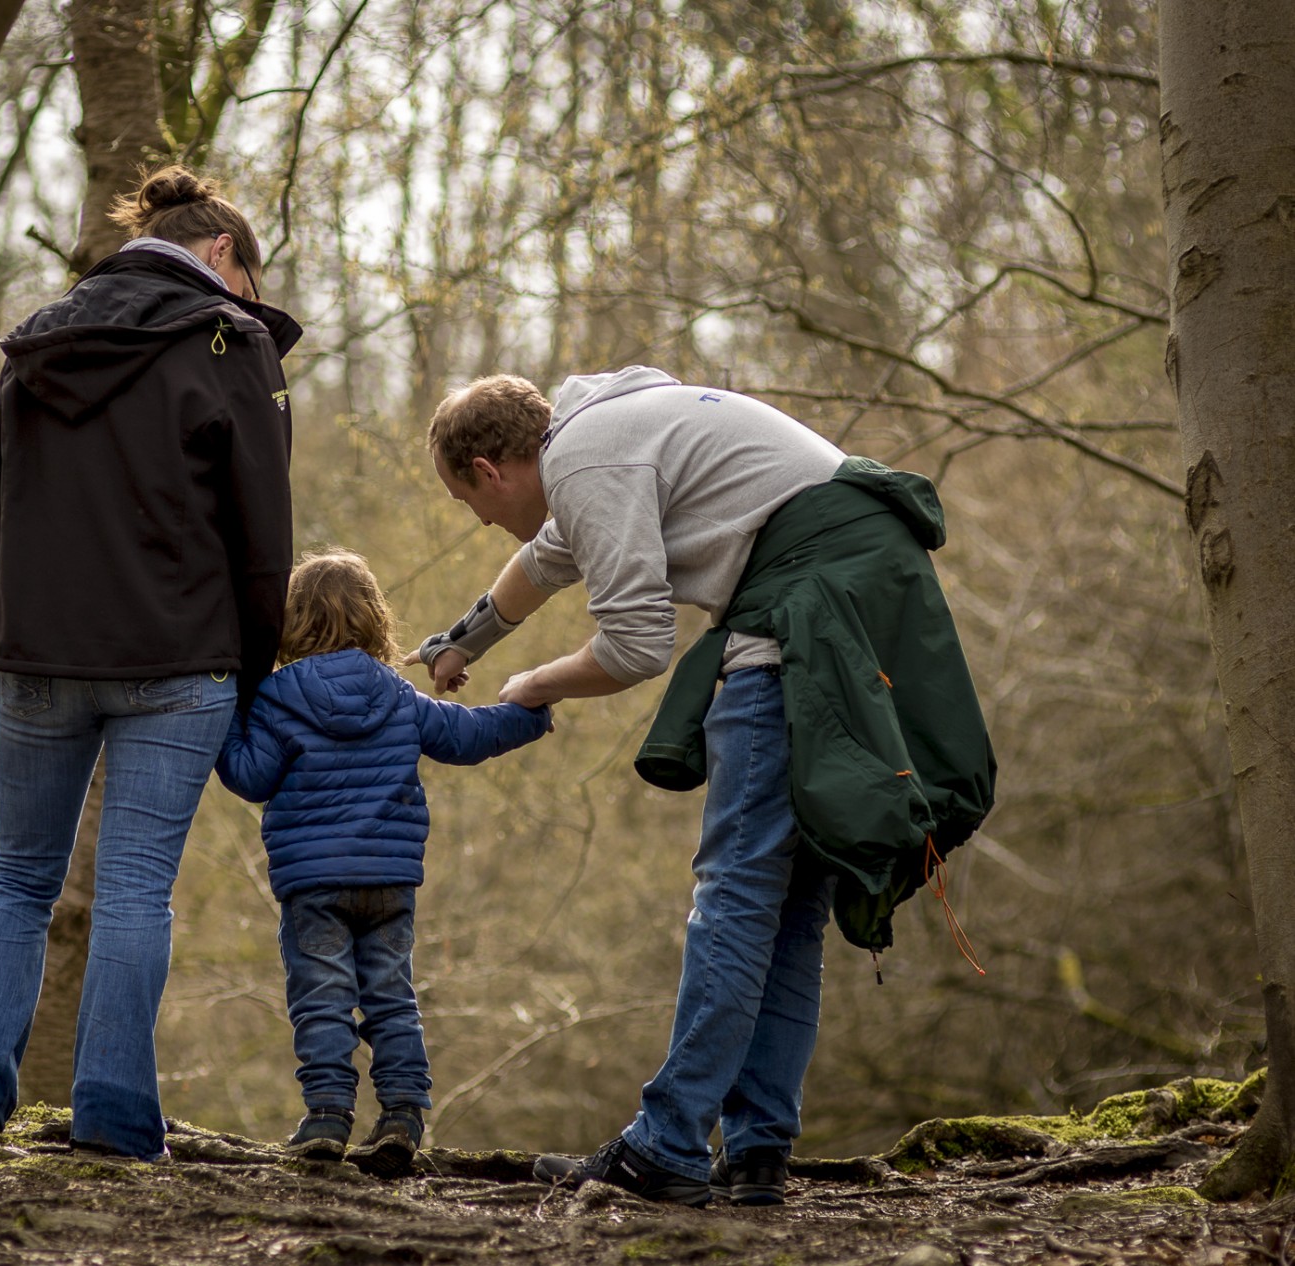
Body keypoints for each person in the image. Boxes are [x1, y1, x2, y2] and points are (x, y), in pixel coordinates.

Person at [415, 369, 993, 1206]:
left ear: (487, 470)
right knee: (790, 902)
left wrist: (534, 685)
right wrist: (460, 642)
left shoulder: (584, 461)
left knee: (735, 892)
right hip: (863, 599)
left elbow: (638, 645)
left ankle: (668, 1142)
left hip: (805, 610)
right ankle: (759, 1151)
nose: (485, 521)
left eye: (473, 505)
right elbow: (545, 564)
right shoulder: (615, 429)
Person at [0, 166, 302, 1161]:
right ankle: (116, 1120)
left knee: (14, 877)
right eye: (253, 279)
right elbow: (264, 539)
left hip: (33, 651)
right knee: (134, 886)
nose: (256, 302)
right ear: (222, 253)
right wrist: (254, 675)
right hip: (178, 659)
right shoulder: (233, 341)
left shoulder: (40, 339)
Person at [216, 550, 553, 1177]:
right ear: (375, 621)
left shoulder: (273, 698)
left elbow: (251, 776)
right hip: (390, 881)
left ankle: (326, 1117)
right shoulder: (397, 694)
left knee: (321, 999)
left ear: (290, 624)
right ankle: (401, 1114)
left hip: (313, 883)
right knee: (391, 998)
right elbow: (467, 737)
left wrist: (228, 716)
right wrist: (531, 712)